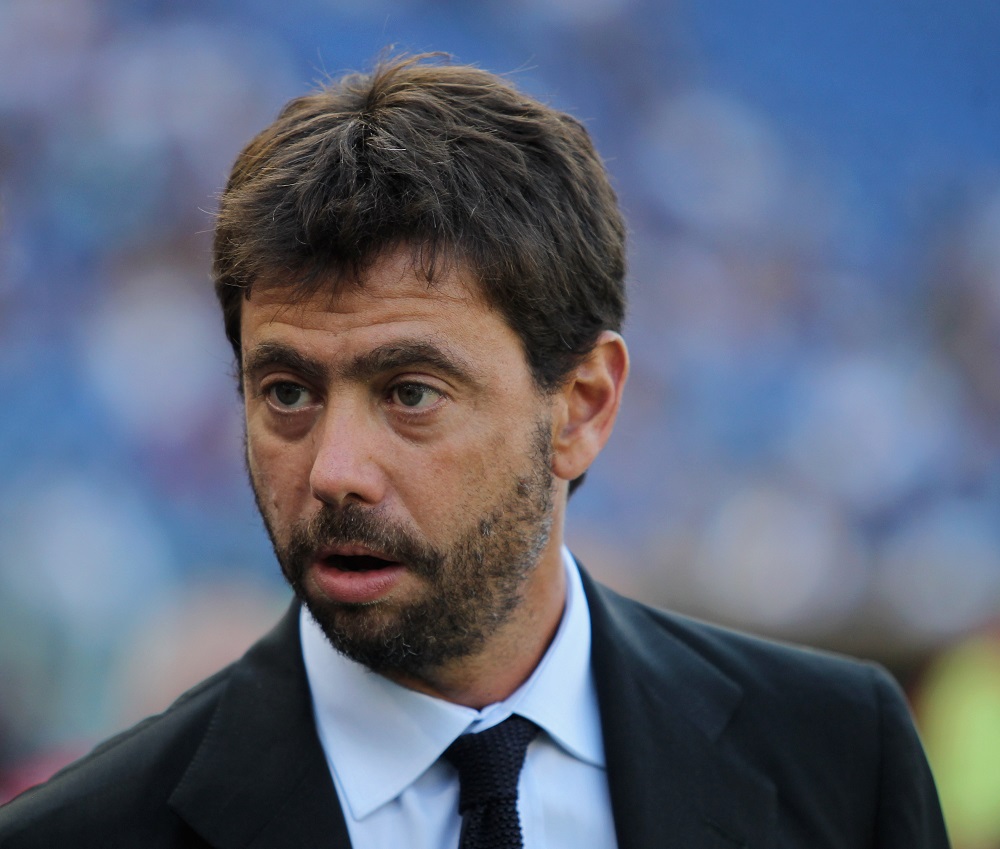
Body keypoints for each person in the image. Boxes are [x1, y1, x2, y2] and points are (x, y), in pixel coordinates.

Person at [0, 53, 948, 848]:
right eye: (286, 392)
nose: (333, 470)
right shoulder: (80, 836)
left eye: (411, 393)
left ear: (582, 406)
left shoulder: (840, 756)